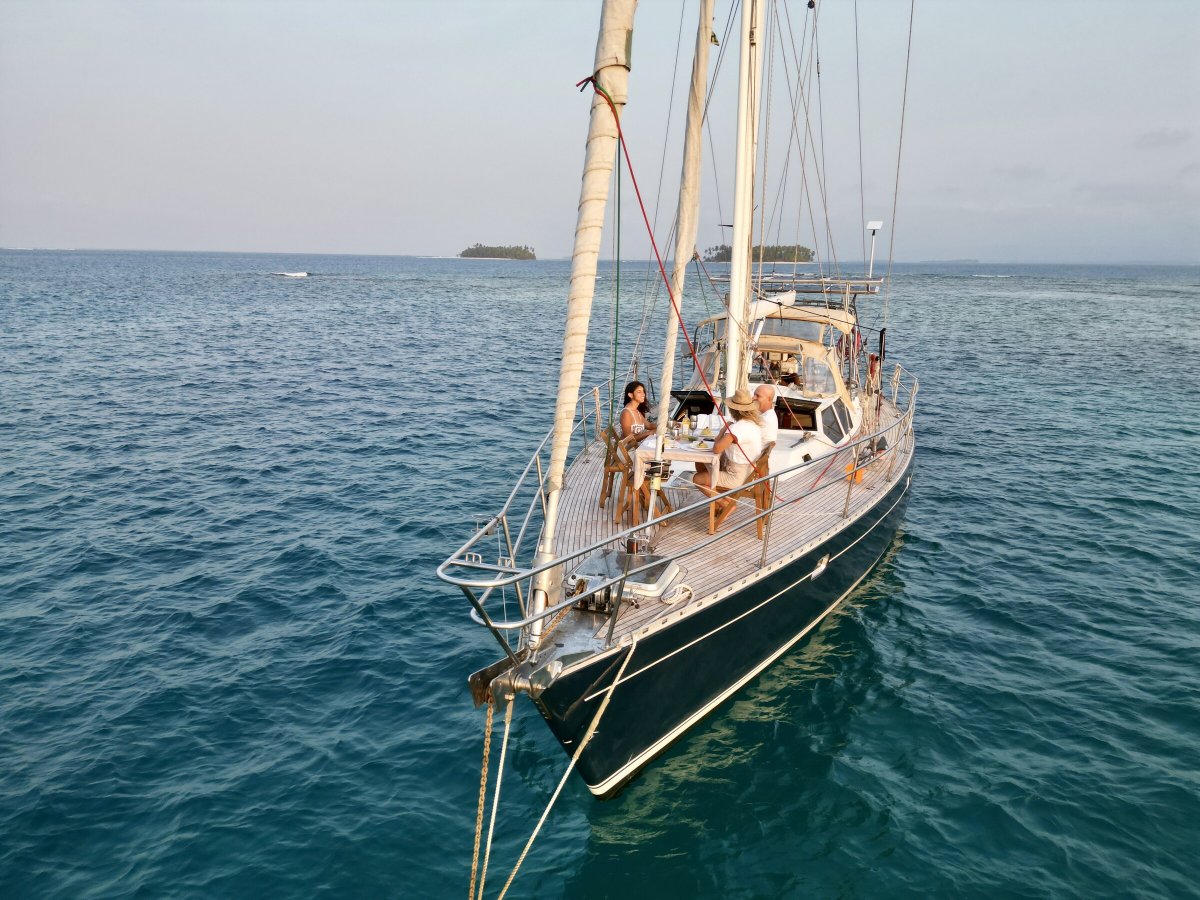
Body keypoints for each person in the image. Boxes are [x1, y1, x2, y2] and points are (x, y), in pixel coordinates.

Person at [693, 387, 764, 495]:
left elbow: (717, 449)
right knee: (700, 461)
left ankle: (724, 503)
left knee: (697, 479)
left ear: (733, 410)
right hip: (749, 474)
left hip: (737, 477)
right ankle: (717, 498)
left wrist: (723, 430)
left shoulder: (737, 428)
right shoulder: (753, 424)